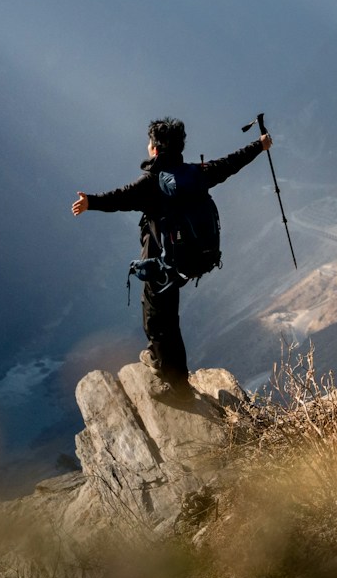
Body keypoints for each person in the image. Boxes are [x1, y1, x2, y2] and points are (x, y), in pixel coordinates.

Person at [71, 117, 270, 390]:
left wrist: (90, 202)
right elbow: (229, 164)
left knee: (155, 318)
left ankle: (172, 381)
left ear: (155, 148)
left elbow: (121, 197)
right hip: (189, 259)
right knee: (169, 316)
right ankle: (173, 371)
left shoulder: (152, 182)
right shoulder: (196, 174)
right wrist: (259, 145)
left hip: (161, 262)